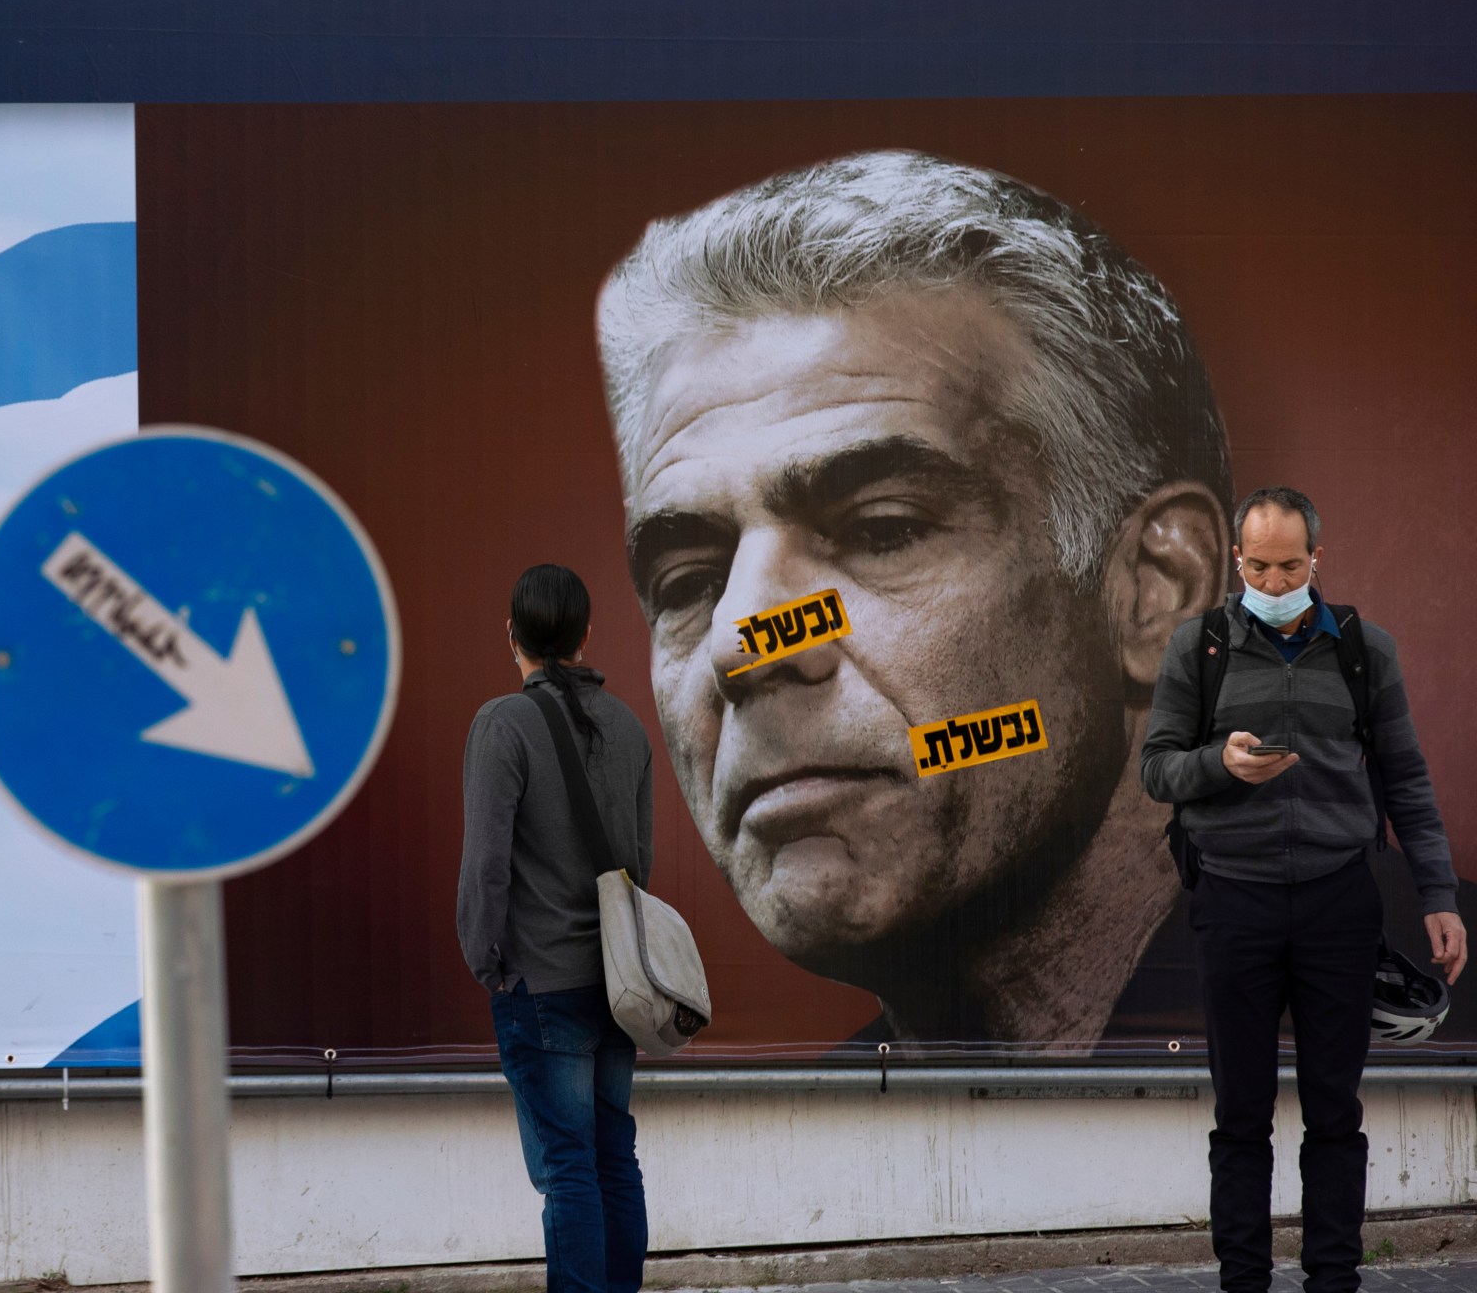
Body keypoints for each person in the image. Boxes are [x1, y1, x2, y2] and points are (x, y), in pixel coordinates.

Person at [592, 149, 1244, 1050]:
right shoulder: (811, 1174)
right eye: (689, 584)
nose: (744, 643)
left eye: (883, 529)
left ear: (1155, 595)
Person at [1141, 487, 1465, 1293]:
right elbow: (1157, 769)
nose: (1275, 580)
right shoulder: (1201, 646)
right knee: (1242, 1116)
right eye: (1259, 565)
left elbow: (1406, 779)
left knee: (1335, 1112)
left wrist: (1438, 895)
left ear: (1316, 559)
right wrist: (1223, 764)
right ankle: (1243, 1279)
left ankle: (1334, 1279)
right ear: (1236, 562)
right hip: (1234, 900)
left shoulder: (1363, 649)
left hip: (1336, 901)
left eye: (1290, 565)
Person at [458, 564, 656, 1293]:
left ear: (512, 636)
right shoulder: (630, 727)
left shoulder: (501, 724)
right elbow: (640, 865)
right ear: (585, 636)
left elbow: (485, 864)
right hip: (618, 984)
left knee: (568, 1170)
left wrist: (488, 963)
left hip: (539, 985)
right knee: (612, 1159)